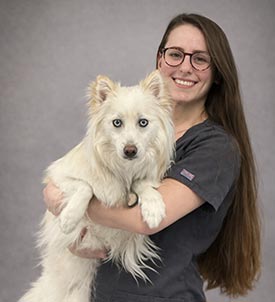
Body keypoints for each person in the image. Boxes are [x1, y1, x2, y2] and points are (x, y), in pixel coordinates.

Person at [43, 13, 261, 302]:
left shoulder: (216, 149)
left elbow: (143, 221)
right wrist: (62, 202)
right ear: (160, 60)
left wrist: (65, 202)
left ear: (217, 72)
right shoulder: (130, 131)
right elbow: (74, 176)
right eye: (175, 54)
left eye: (199, 59)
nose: (185, 67)